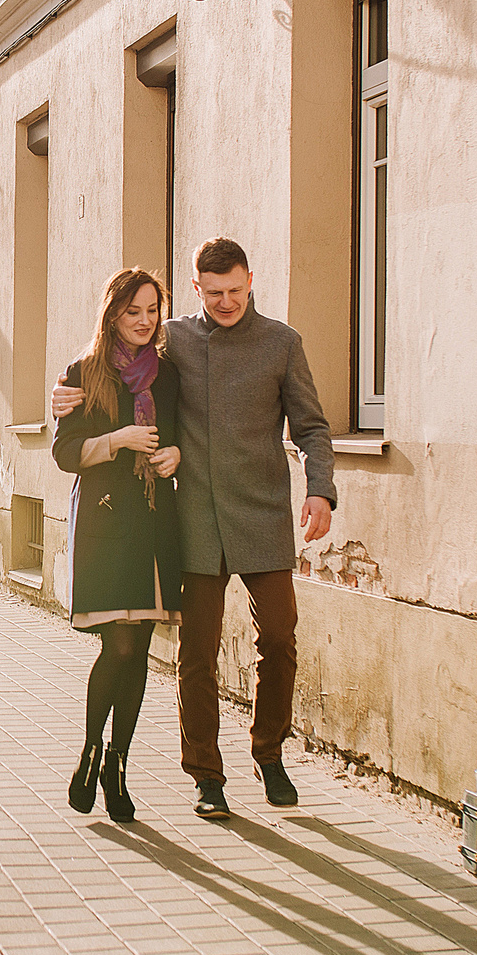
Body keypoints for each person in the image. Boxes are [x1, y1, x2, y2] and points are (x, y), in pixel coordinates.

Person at [52, 237, 334, 814]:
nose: (225, 302)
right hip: (194, 519)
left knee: (279, 638)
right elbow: (107, 362)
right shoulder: (172, 338)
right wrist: (57, 394)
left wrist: (322, 489)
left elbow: (311, 426)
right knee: (197, 652)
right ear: (197, 287)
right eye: (214, 292)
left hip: (260, 515)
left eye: (235, 290)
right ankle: (206, 776)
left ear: (250, 281)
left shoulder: (282, 343)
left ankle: (270, 752)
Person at [52, 268, 182, 824]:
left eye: (153, 310)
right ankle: (88, 754)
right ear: (112, 314)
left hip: (154, 523)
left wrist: (178, 457)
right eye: (135, 311)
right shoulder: (84, 373)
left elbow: (185, 436)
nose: (145, 321)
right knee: (120, 648)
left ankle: (118, 764)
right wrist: (117, 440)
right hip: (106, 526)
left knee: (141, 650)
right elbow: (64, 453)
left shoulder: (169, 375)